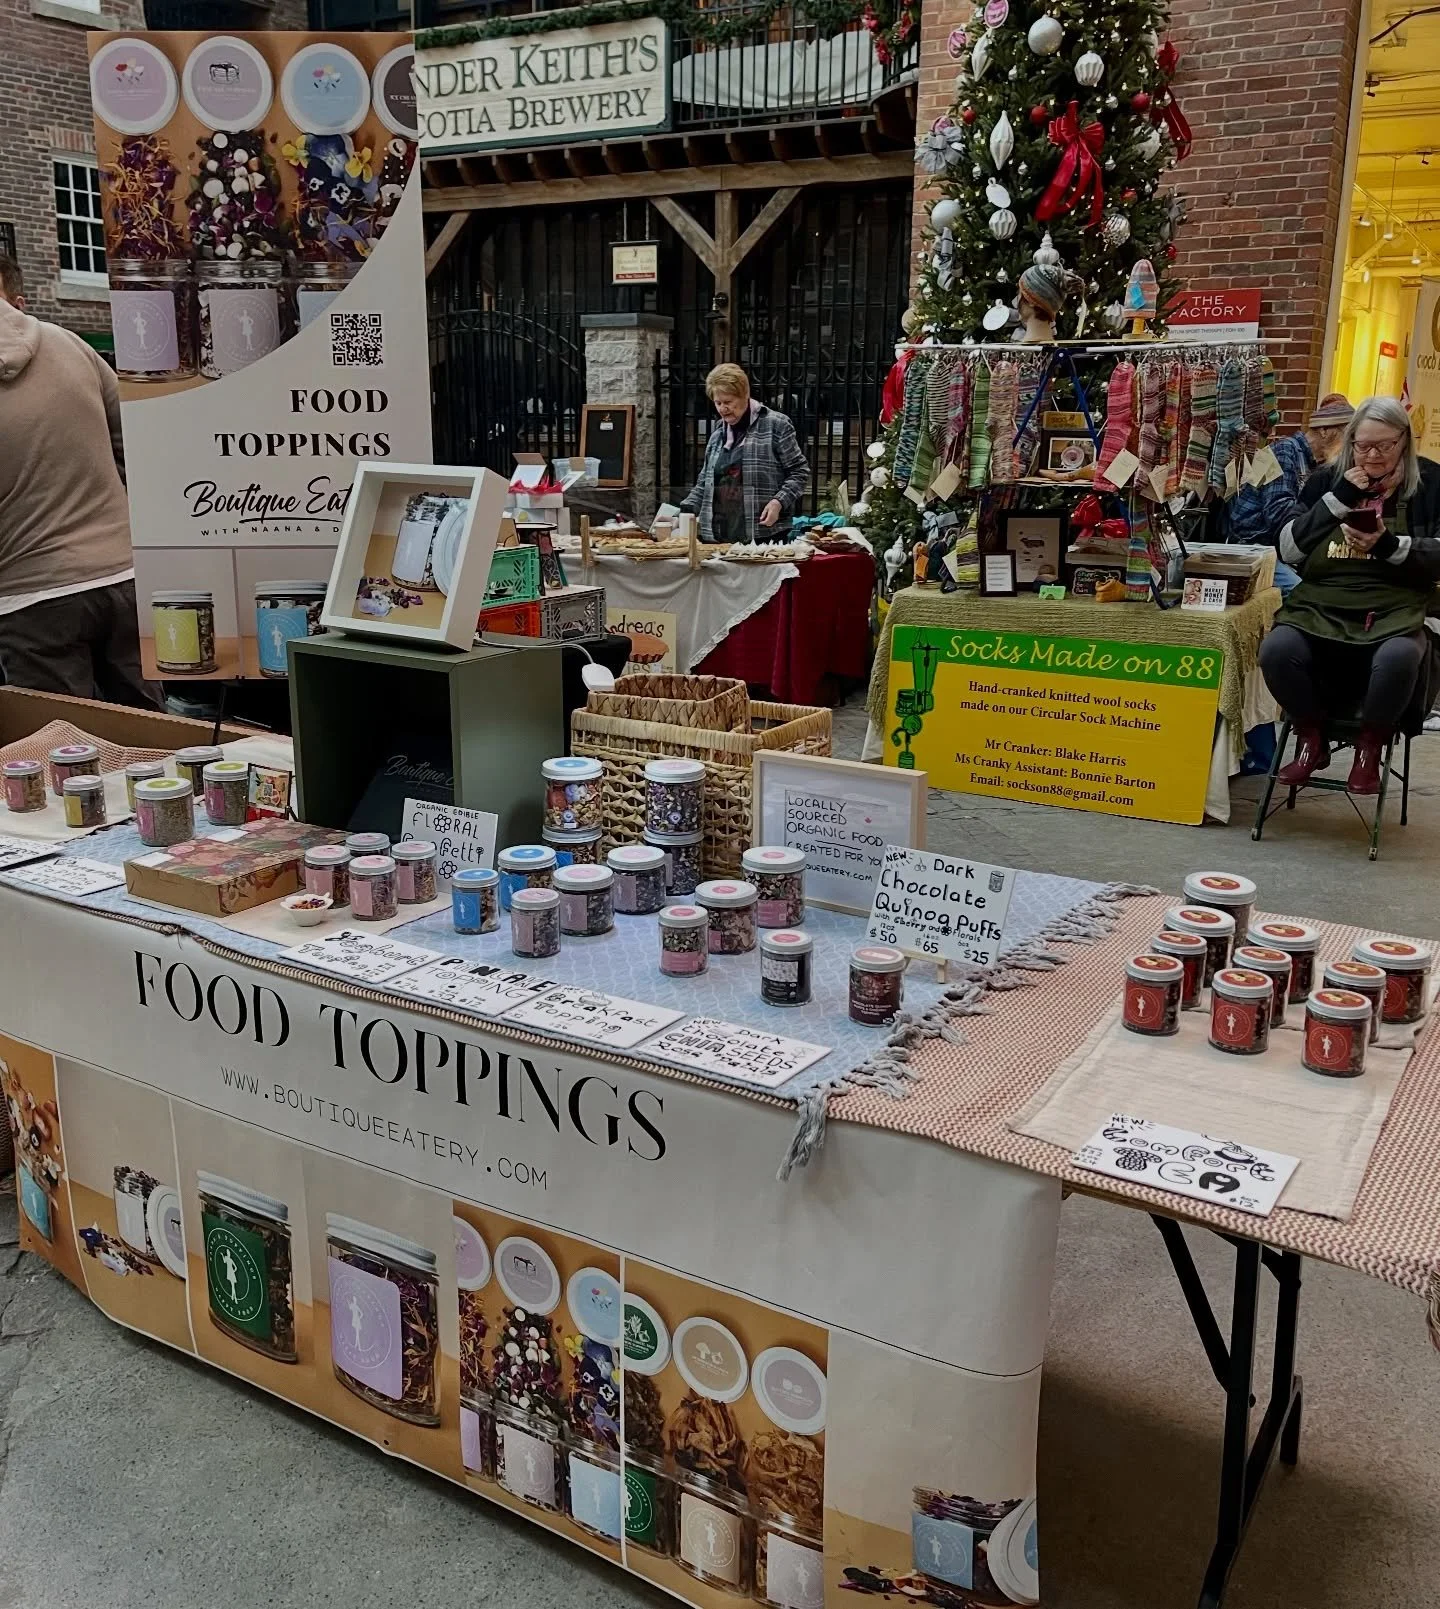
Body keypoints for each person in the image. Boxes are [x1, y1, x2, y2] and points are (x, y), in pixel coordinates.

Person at [1258, 395, 1440, 794]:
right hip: (1322, 605)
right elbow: (1288, 549)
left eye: (1384, 446)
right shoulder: (1328, 479)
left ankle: (1369, 748)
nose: (1372, 455)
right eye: (1362, 445)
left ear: (1404, 441)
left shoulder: (1430, 483)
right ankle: (1311, 738)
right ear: (1351, 440)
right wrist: (1337, 499)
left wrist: (1388, 546)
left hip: (1396, 608)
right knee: (1275, 650)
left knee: (1400, 656)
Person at [0, 255, 158, 707]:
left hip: (30, 598)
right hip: (121, 575)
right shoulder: (68, 342)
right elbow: (136, 442)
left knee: (62, 754)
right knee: (149, 737)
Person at [1228, 392, 1353, 596]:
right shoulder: (1285, 452)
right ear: (1324, 430)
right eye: (1345, 437)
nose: (1347, 447)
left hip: (1277, 549)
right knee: (1302, 594)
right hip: (1254, 549)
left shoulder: (1313, 463)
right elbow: (1279, 518)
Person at [679, 363, 809, 545]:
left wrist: (778, 502)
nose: (722, 409)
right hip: (717, 535)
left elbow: (799, 472)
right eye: (718, 403)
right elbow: (703, 483)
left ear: (745, 396)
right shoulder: (717, 434)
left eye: (728, 402)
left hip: (763, 534)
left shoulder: (776, 425)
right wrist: (682, 513)